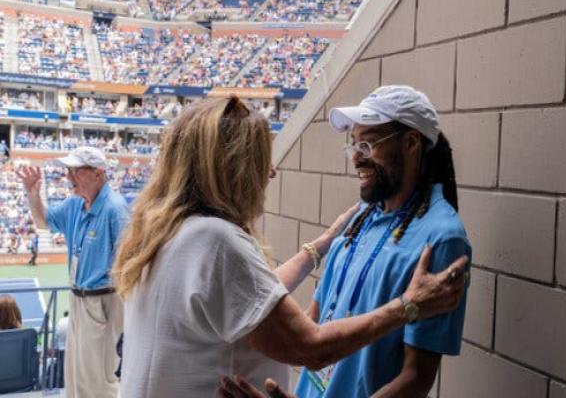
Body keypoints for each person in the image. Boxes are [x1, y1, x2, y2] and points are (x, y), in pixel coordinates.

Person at [112, 96, 468, 398]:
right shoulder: (215, 242)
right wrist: (408, 306)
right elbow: (309, 344)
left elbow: (250, 299)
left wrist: (317, 248)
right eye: (257, 160)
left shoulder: (171, 233)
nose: (270, 173)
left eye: (367, 143)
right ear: (229, 168)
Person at [219, 85, 471, 398]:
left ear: (410, 143)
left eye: (368, 143)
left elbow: (416, 377)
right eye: (353, 144)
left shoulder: (442, 237)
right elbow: (314, 323)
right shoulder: (359, 218)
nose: (356, 157)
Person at [17, 146, 129, 398]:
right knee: (75, 373)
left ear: (98, 173)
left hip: (103, 301)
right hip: (79, 298)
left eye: (76, 170)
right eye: (68, 170)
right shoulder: (74, 204)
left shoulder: (115, 209)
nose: (68, 176)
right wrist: (33, 194)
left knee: (99, 378)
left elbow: (129, 264)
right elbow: (42, 221)